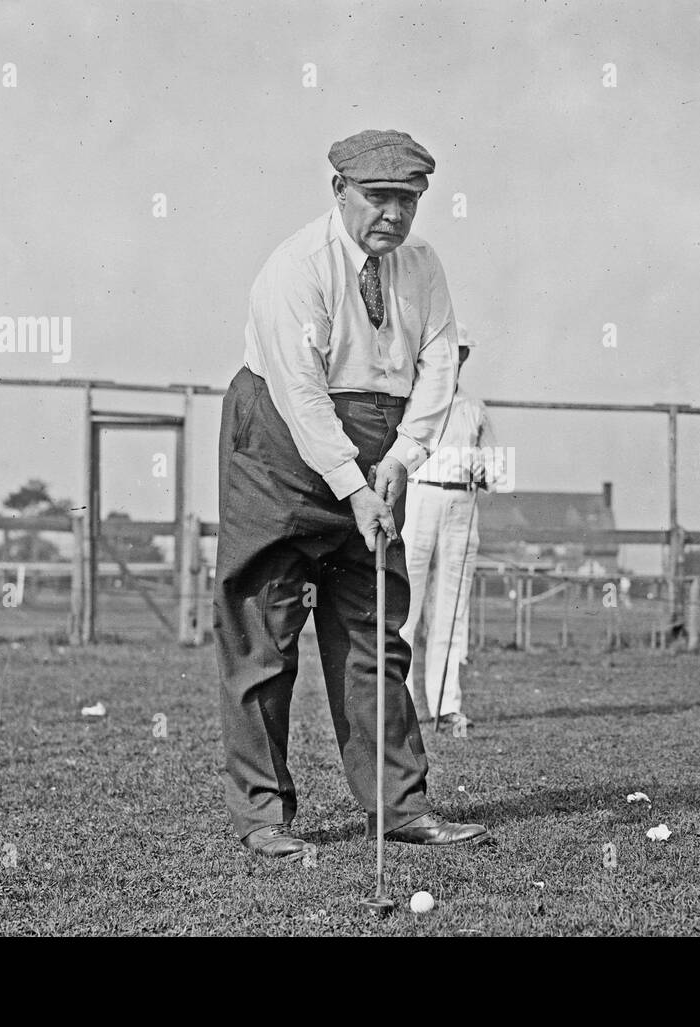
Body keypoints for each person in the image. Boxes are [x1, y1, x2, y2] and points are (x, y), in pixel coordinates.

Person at [215, 129, 490, 860]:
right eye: (378, 198)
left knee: (373, 628)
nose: (394, 215)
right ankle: (265, 816)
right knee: (264, 635)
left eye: (408, 200)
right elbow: (302, 394)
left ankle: (398, 806)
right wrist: (351, 486)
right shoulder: (295, 269)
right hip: (278, 450)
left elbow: (437, 361)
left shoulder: (424, 267)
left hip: (377, 443)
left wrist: (405, 456)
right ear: (339, 192)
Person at [400, 326, 498, 731]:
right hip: (419, 498)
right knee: (405, 602)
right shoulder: (411, 401)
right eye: (444, 352)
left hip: (461, 505)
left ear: (464, 359)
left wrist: (486, 469)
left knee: (452, 607)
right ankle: (399, 704)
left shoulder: (474, 408)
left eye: (458, 353)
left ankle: (446, 704)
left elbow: (498, 467)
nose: (451, 360)